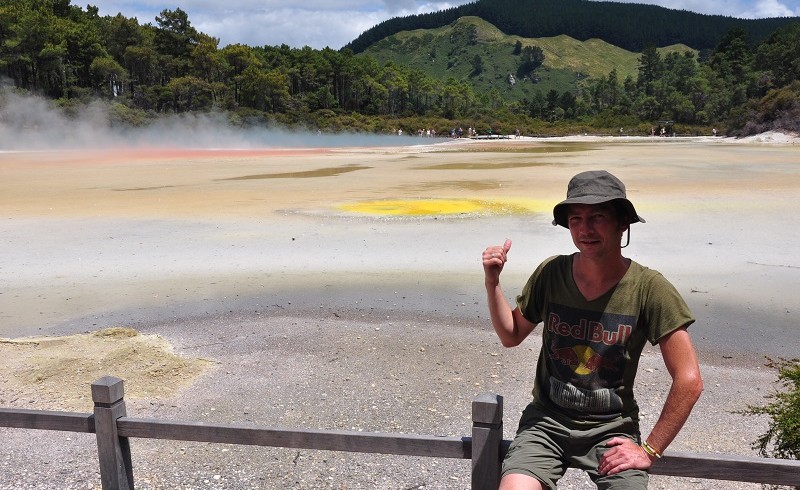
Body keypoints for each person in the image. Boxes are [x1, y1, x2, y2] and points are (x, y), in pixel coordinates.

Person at [482, 170, 703, 490]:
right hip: (545, 425)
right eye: (576, 219)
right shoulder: (552, 273)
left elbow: (689, 379)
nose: (585, 229)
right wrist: (493, 282)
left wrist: (650, 450)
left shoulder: (649, 288)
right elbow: (511, 334)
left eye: (597, 217)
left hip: (612, 433)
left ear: (622, 223)